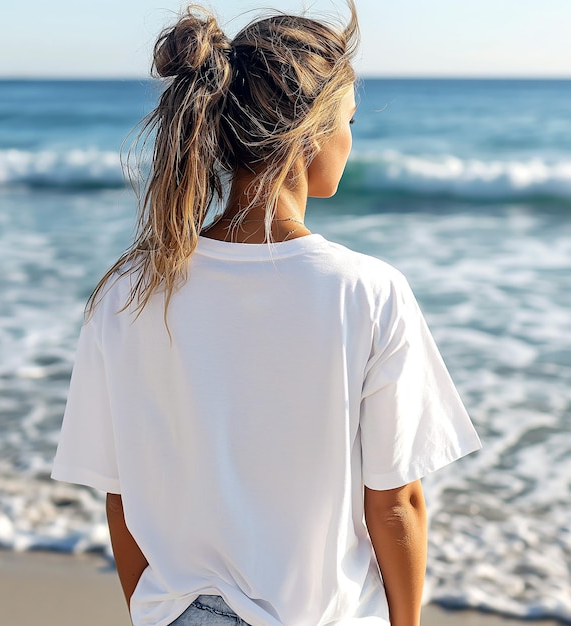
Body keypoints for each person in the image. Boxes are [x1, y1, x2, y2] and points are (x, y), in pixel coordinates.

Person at [51, 3, 482, 625]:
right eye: (349, 120)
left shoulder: (128, 291)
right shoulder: (367, 291)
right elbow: (395, 503)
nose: (351, 140)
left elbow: (123, 502)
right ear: (310, 134)